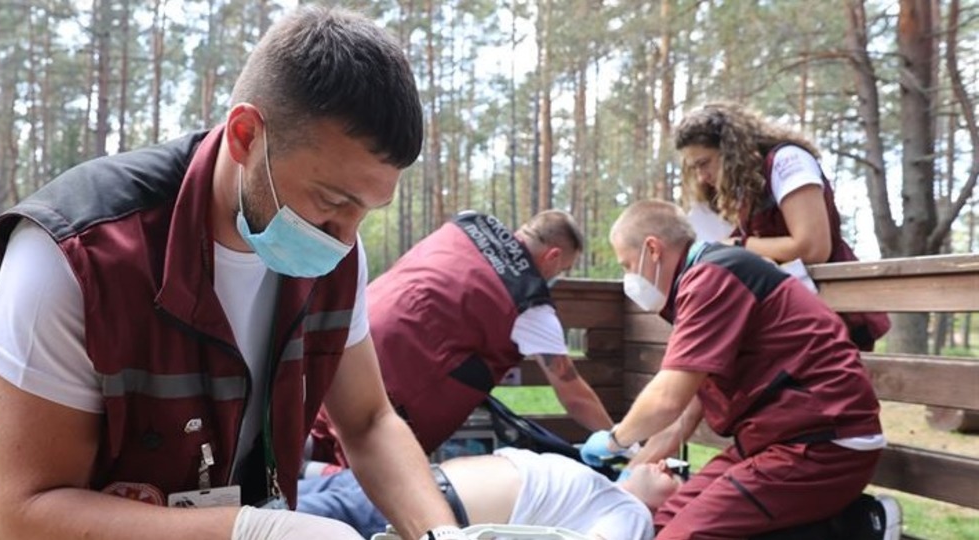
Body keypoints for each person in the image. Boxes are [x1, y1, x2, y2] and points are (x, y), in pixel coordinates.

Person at [0, 7, 470, 540]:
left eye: (366, 210)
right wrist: (248, 531)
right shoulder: (76, 255)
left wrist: (442, 535)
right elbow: (20, 515)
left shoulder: (331, 250)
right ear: (245, 135)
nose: (345, 238)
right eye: (330, 200)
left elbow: (369, 422)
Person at [580, 200, 885, 540]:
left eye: (627, 264)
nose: (629, 277)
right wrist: (627, 480)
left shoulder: (713, 277)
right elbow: (685, 411)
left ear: (652, 249)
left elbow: (667, 399)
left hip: (823, 444)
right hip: (774, 441)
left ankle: (854, 528)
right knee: (663, 520)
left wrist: (614, 441)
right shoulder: (704, 280)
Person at [308, 210, 615, 466]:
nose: (558, 277)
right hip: (393, 387)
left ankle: (298, 473)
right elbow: (575, 395)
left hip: (345, 343)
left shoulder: (466, 225)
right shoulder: (529, 305)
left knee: (318, 432)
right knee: (360, 472)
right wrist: (619, 443)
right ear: (553, 256)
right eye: (564, 269)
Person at [674, 101, 889, 350]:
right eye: (695, 168)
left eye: (704, 163)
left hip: (832, 315)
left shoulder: (788, 161)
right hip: (787, 317)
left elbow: (813, 248)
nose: (701, 176)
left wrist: (739, 246)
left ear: (730, 150)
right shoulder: (745, 185)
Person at [298, 448, 679, 540]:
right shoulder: (602, 485)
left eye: (678, 475)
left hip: (410, 513)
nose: (665, 463)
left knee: (268, 521)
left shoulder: (632, 513)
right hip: (394, 481)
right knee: (270, 500)